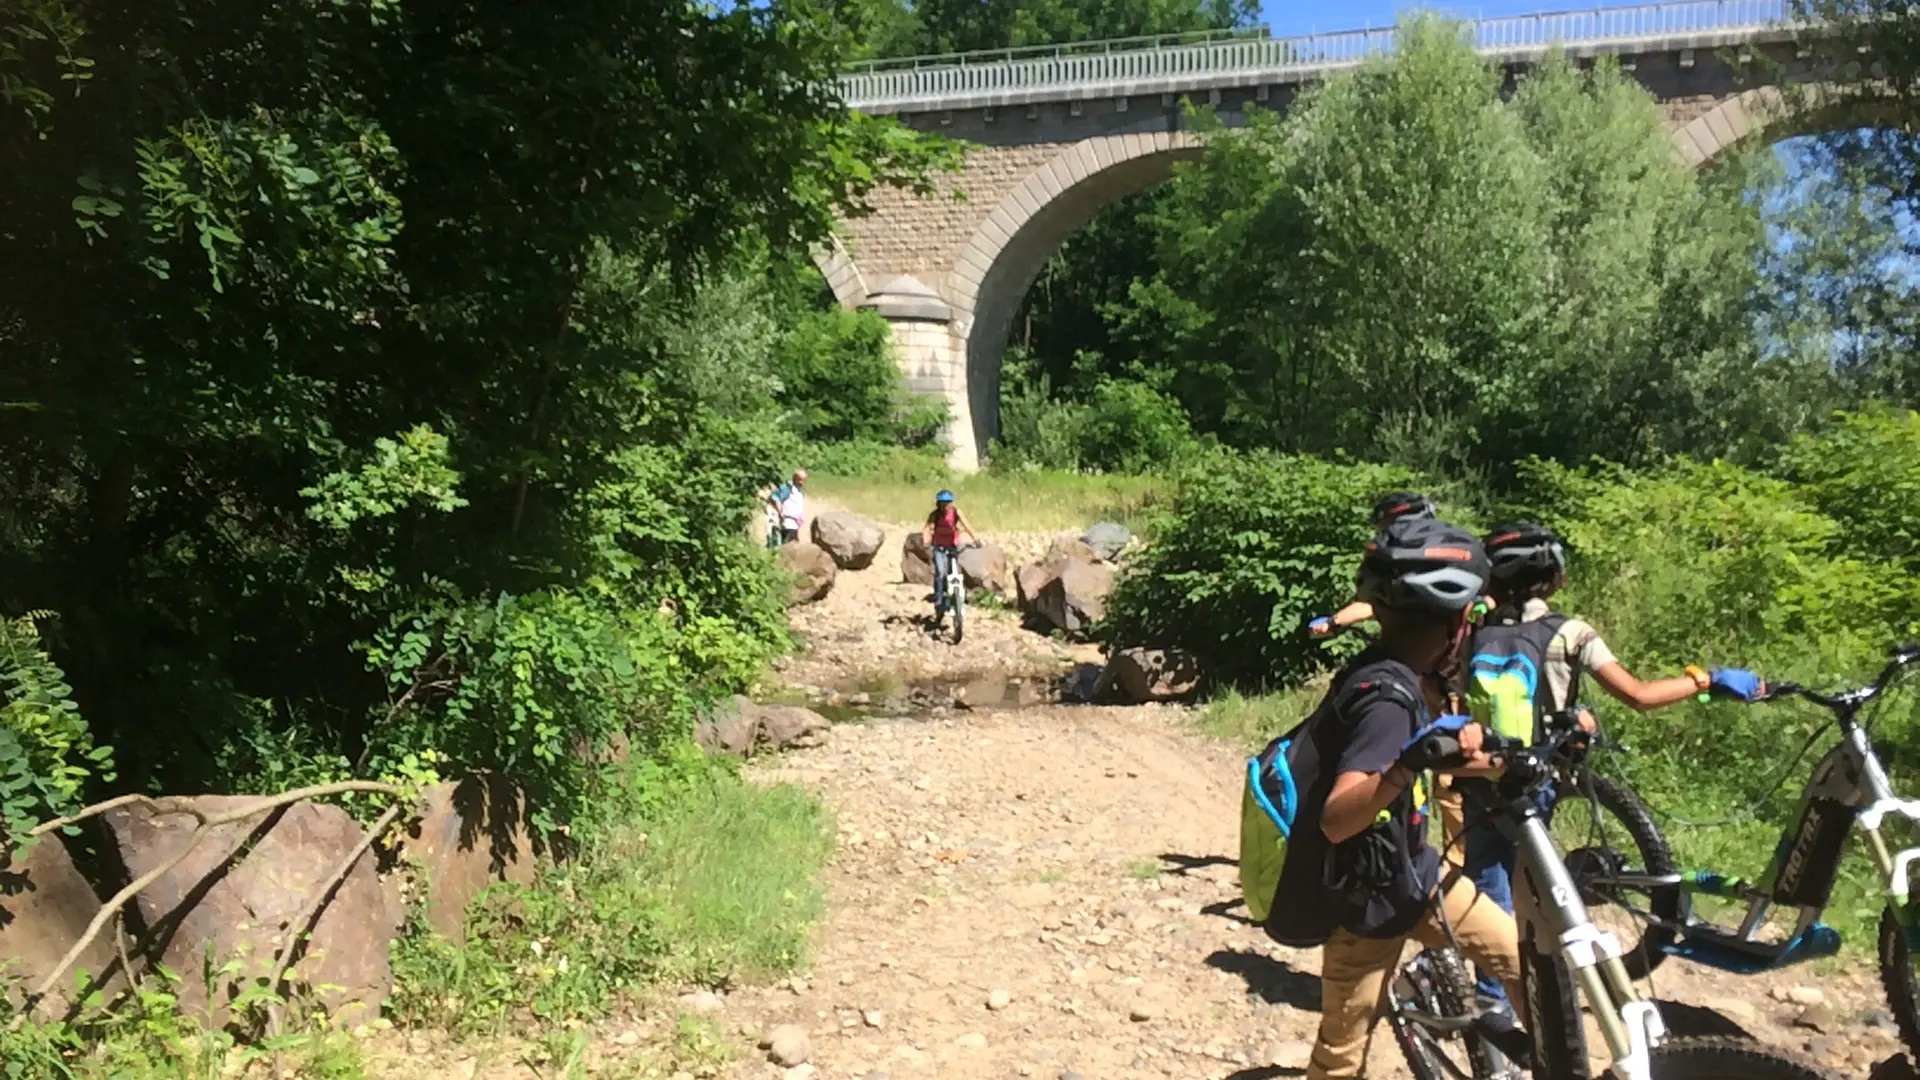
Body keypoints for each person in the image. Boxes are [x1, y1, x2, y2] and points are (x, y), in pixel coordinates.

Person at [1449, 520, 1765, 1008]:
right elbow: (1639, 695)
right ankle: (1532, 994)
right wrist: (1708, 679)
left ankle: (1494, 1001)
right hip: (1537, 779)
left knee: (1490, 885)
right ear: (1549, 574)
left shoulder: (1471, 633)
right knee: (1535, 883)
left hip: (1479, 777)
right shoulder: (1570, 632)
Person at [1292, 517, 1523, 1080]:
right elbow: (1339, 819)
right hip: (1365, 907)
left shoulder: (1389, 671)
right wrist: (1406, 767)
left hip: (1418, 876)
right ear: (1462, 619)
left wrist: (1508, 761)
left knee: (1526, 964)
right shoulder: (1388, 699)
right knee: (1340, 1062)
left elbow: (1419, 754)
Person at [1308, 491, 1440, 639]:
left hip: (1408, 648)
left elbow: (1369, 605)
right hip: (1457, 645)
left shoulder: (1385, 557)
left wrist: (1331, 623)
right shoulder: (1449, 545)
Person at [920, 489, 978, 618]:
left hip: (953, 546)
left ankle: (957, 597)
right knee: (940, 573)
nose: (945, 505)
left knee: (954, 573)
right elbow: (926, 528)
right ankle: (939, 598)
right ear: (938, 503)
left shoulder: (956, 513)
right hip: (939, 547)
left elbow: (967, 525)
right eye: (942, 503)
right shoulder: (935, 515)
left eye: (947, 502)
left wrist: (976, 539)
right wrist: (925, 541)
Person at [768, 468, 807, 546]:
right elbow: (774, 498)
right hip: (787, 523)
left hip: (795, 525)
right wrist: (780, 512)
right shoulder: (788, 488)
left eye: (804, 480)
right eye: (800, 480)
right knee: (788, 547)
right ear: (795, 478)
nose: (802, 482)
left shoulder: (799, 492)